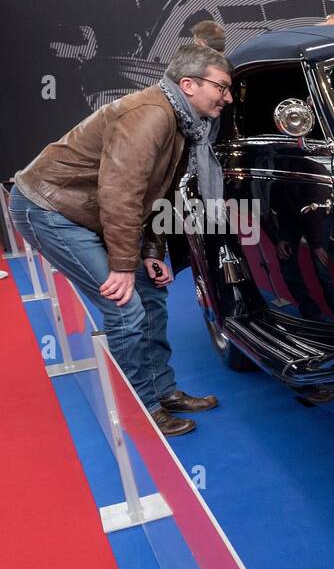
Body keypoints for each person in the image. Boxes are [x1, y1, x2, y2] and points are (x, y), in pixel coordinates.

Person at [8, 45, 231, 436]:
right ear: (189, 84)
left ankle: (163, 392)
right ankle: (140, 410)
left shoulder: (181, 119)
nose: (227, 97)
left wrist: (150, 252)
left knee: (152, 293)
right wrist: (124, 266)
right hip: (49, 208)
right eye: (222, 87)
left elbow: (157, 194)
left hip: (88, 210)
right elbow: (121, 194)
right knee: (124, 305)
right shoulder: (149, 117)